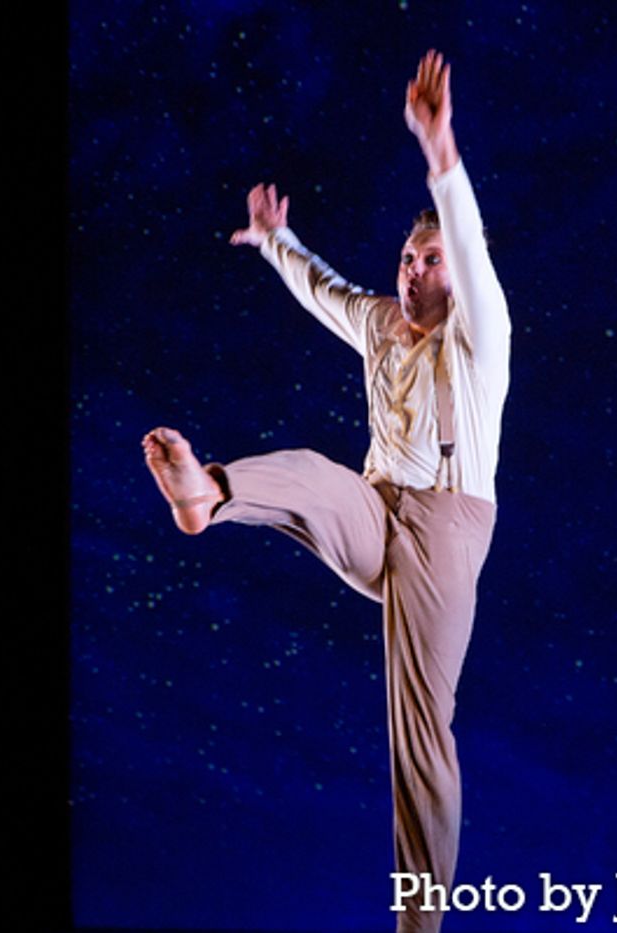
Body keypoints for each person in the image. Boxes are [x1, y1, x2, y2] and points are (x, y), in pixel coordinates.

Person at [142, 49, 510, 933]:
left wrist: (441, 150)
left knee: (420, 733)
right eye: (407, 256)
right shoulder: (382, 325)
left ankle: (419, 923)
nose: (412, 270)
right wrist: (276, 240)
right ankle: (207, 496)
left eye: (428, 260)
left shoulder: (482, 336)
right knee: (312, 470)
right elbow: (324, 291)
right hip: (375, 513)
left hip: (447, 534)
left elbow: (466, 242)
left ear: (455, 273)